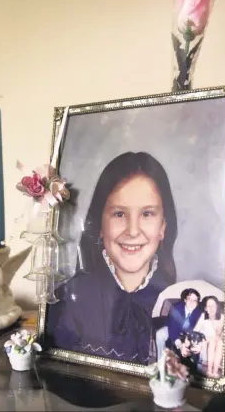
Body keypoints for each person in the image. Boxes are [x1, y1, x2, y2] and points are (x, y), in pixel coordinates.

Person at [46, 151, 178, 365]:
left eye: (147, 214)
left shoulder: (179, 304)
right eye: (119, 214)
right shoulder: (68, 302)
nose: (133, 231)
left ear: (163, 227)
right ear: (100, 225)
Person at [155, 288, 202, 360]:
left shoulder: (198, 313)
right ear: (185, 300)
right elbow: (173, 328)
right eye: (189, 299)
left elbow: (196, 330)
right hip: (172, 327)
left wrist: (188, 340)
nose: (192, 302)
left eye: (195, 300)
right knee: (159, 334)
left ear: (197, 303)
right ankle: (160, 361)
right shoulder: (176, 307)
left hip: (187, 333)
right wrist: (180, 345)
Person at [194, 296, 224, 378]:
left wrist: (218, 336)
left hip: (216, 345)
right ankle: (209, 370)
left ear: (217, 306)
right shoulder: (203, 316)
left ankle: (215, 370)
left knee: (220, 342)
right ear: (205, 308)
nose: (211, 308)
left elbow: (219, 334)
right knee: (212, 340)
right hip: (205, 344)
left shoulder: (222, 317)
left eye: (213, 305)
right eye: (208, 306)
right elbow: (195, 332)